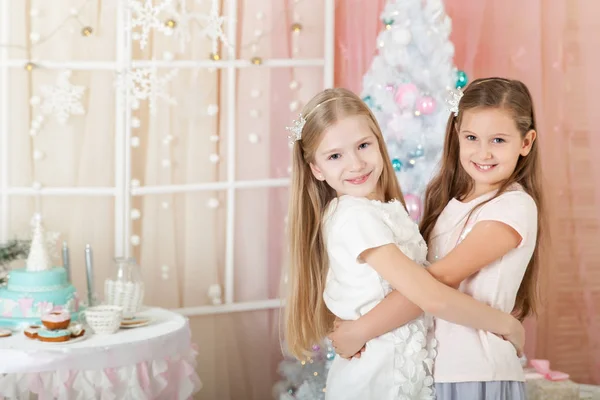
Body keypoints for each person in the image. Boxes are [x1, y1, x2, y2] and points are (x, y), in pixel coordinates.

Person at [284, 87, 526, 399]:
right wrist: (507, 325)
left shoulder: (382, 211)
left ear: (378, 143)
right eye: (335, 156)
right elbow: (432, 296)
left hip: (399, 377)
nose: (356, 164)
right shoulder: (354, 217)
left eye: (363, 145)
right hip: (375, 383)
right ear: (316, 169)